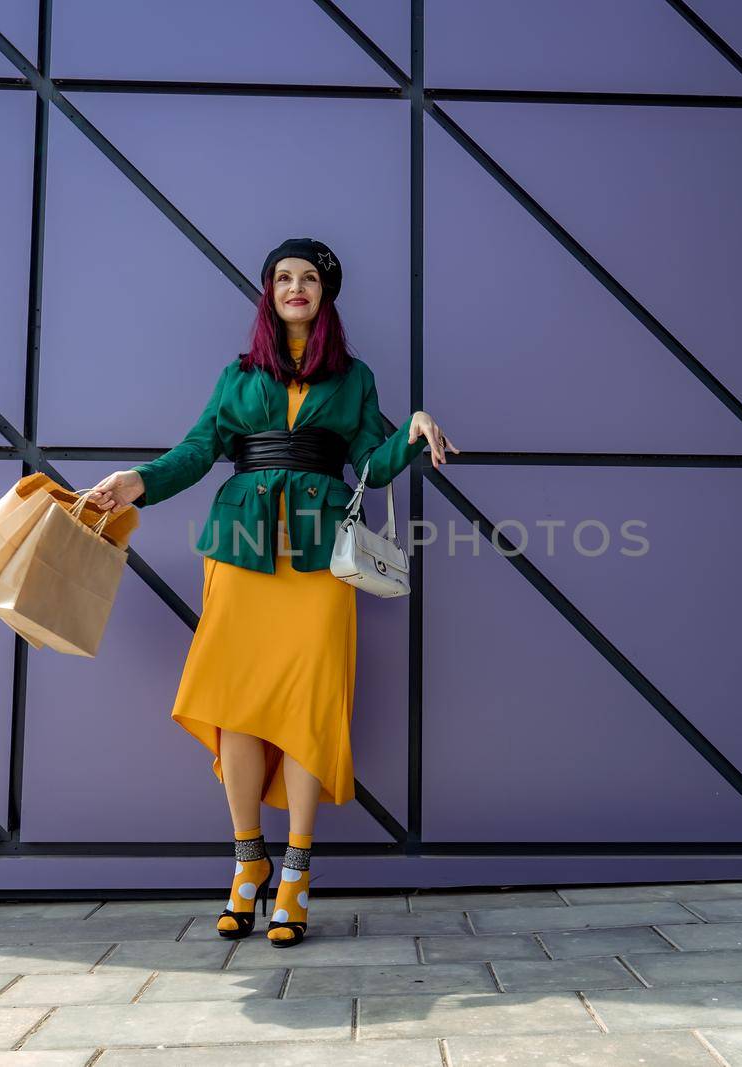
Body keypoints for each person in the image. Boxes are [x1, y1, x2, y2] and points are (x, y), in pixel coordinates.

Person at [84, 237, 456, 948]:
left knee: (311, 705)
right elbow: (197, 452)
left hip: (318, 560)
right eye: (284, 277)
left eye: (308, 278)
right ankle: (248, 861)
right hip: (242, 554)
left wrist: (409, 431)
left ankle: (297, 872)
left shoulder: (353, 377)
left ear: (325, 293)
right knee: (238, 708)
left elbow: (372, 467)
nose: (295, 287)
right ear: (269, 291)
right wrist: (138, 480)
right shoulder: (238, 375)